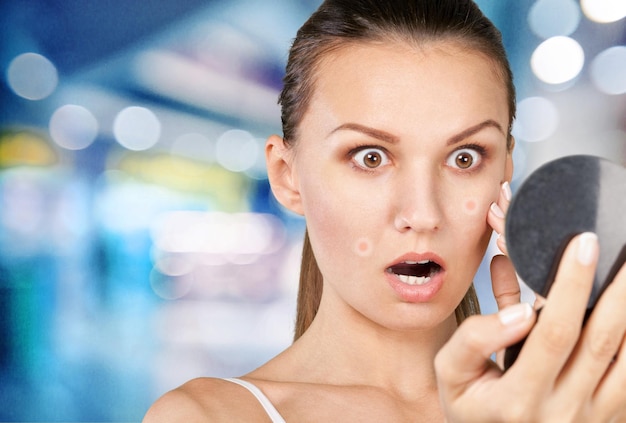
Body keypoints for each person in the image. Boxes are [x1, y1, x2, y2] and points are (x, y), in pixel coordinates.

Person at [144, 0, 626, 421]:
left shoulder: (588, 408)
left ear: (505, 170)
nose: (421, 213)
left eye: (465, 158)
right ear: (287, 176)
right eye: (369, 156)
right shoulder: (208, 417)